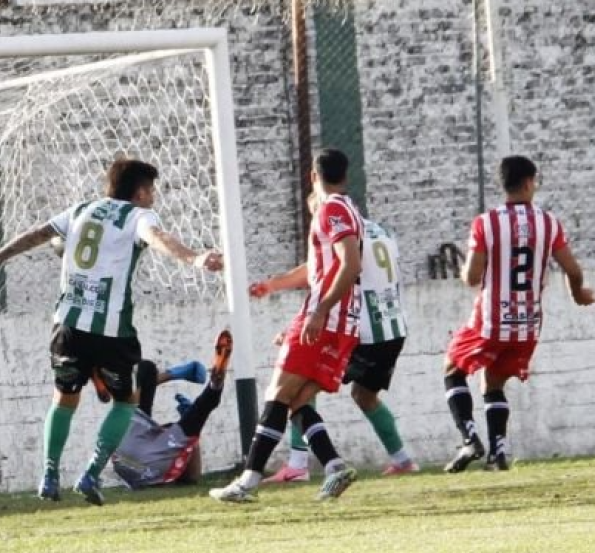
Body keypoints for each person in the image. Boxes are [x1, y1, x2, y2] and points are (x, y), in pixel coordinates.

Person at [0, 158, 223, 506]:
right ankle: (91, 473)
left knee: (63, 398)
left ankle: (49, 474)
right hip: (111, 331)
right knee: (126, 402)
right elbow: (159, 238)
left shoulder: (82, 209)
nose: (153, 197)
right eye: (151, 190)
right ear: (140, 192)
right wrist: (195, 258)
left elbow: (39, 234)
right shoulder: (139, 216)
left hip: (67, 324)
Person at [210, 148, 362, 503]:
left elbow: (350, 264)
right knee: (296, 402)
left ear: (313, 176)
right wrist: (275, 284)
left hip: (327, 318)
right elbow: (319, 268)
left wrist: (321, 309)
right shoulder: (346, 209)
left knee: (277, 394)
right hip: (342, 322)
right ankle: (335, 467)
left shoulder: (332, 209)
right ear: (346, 175)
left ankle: (248, 481)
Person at [443, 155, 595, 473]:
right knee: (493, 382)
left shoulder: (485, 223)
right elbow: (573, 269)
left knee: (452, 369)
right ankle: (498, 454)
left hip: (491, 320)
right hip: (527, 326)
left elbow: (472, 278)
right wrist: (578, 293)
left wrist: (466, 271)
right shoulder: (548, 223)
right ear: (528, 183)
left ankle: (470, 439)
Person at [261, 217, 418, 483]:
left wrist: (282, 293)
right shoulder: (381, 230)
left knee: (299, 385)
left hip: (363, 331)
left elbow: (328, 271)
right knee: (364, 394)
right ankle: (402, 459)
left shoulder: (342, 231)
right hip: (393, 329)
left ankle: (299, 465)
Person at [112, 330, 233, 489]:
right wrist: (191, 425)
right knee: (196, 415)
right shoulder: (170, 451)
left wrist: (176, 374)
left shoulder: (160, 445)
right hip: (133, 462)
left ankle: (211, 384)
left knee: (146, 373)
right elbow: (192, 477)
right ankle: (215, 385)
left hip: (124, 459)